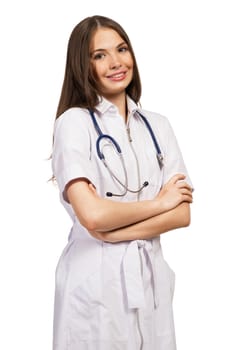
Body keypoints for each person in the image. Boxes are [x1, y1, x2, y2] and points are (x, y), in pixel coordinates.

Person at [51, 15, 193, 350]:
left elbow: (182, 215)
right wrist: (160, 203)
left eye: (121, 49)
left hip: (150, 279)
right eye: (99, 55)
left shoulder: (158, 126)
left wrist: (111, 232)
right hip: (95, 284)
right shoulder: (73, 123)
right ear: (81, 66)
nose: (116, 62)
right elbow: (93, 216)